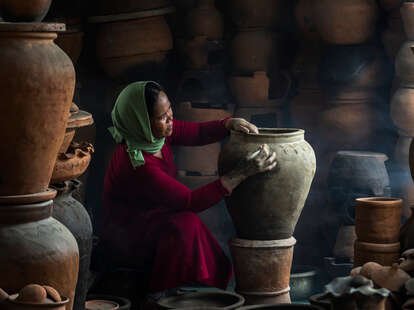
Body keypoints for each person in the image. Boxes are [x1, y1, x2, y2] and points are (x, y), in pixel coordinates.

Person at [102, 81, 277, 298]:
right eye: (162, 117)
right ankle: (156, 295)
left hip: (152, 213)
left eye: (170, 110)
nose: (170, 119)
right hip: (130, 232)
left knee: (186, 224)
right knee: (186, 225)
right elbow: (191, 201)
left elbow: (194, 132)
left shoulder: (152, 137)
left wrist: (228, 123)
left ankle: (178, 285)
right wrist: (241, 173)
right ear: (141, 123)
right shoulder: (139, 164)